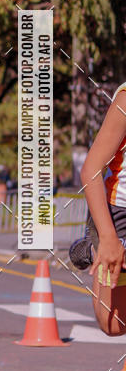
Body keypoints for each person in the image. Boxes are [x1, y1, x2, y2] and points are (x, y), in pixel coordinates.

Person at [74, 81, 126, 336]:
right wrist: (107, 238)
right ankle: (96, 247)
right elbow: (91, 170)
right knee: (114, 324)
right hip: (121, 213)